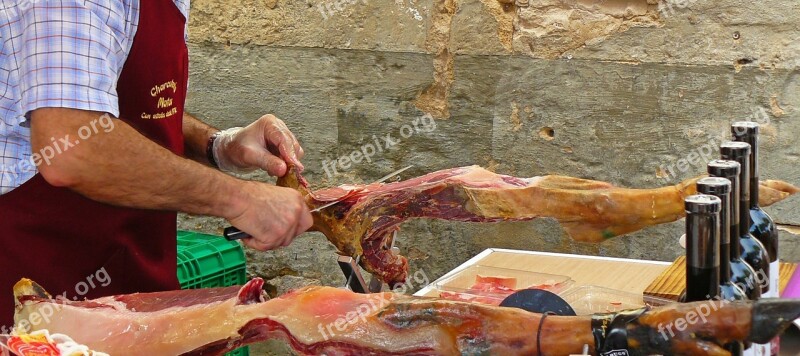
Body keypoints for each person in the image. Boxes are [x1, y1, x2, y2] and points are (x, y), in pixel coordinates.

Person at [0, 0, 313, 327]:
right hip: (43, 277)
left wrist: (218, 145)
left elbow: (127, 110)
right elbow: (73, 148)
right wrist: (241, 200)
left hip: (131, 275)